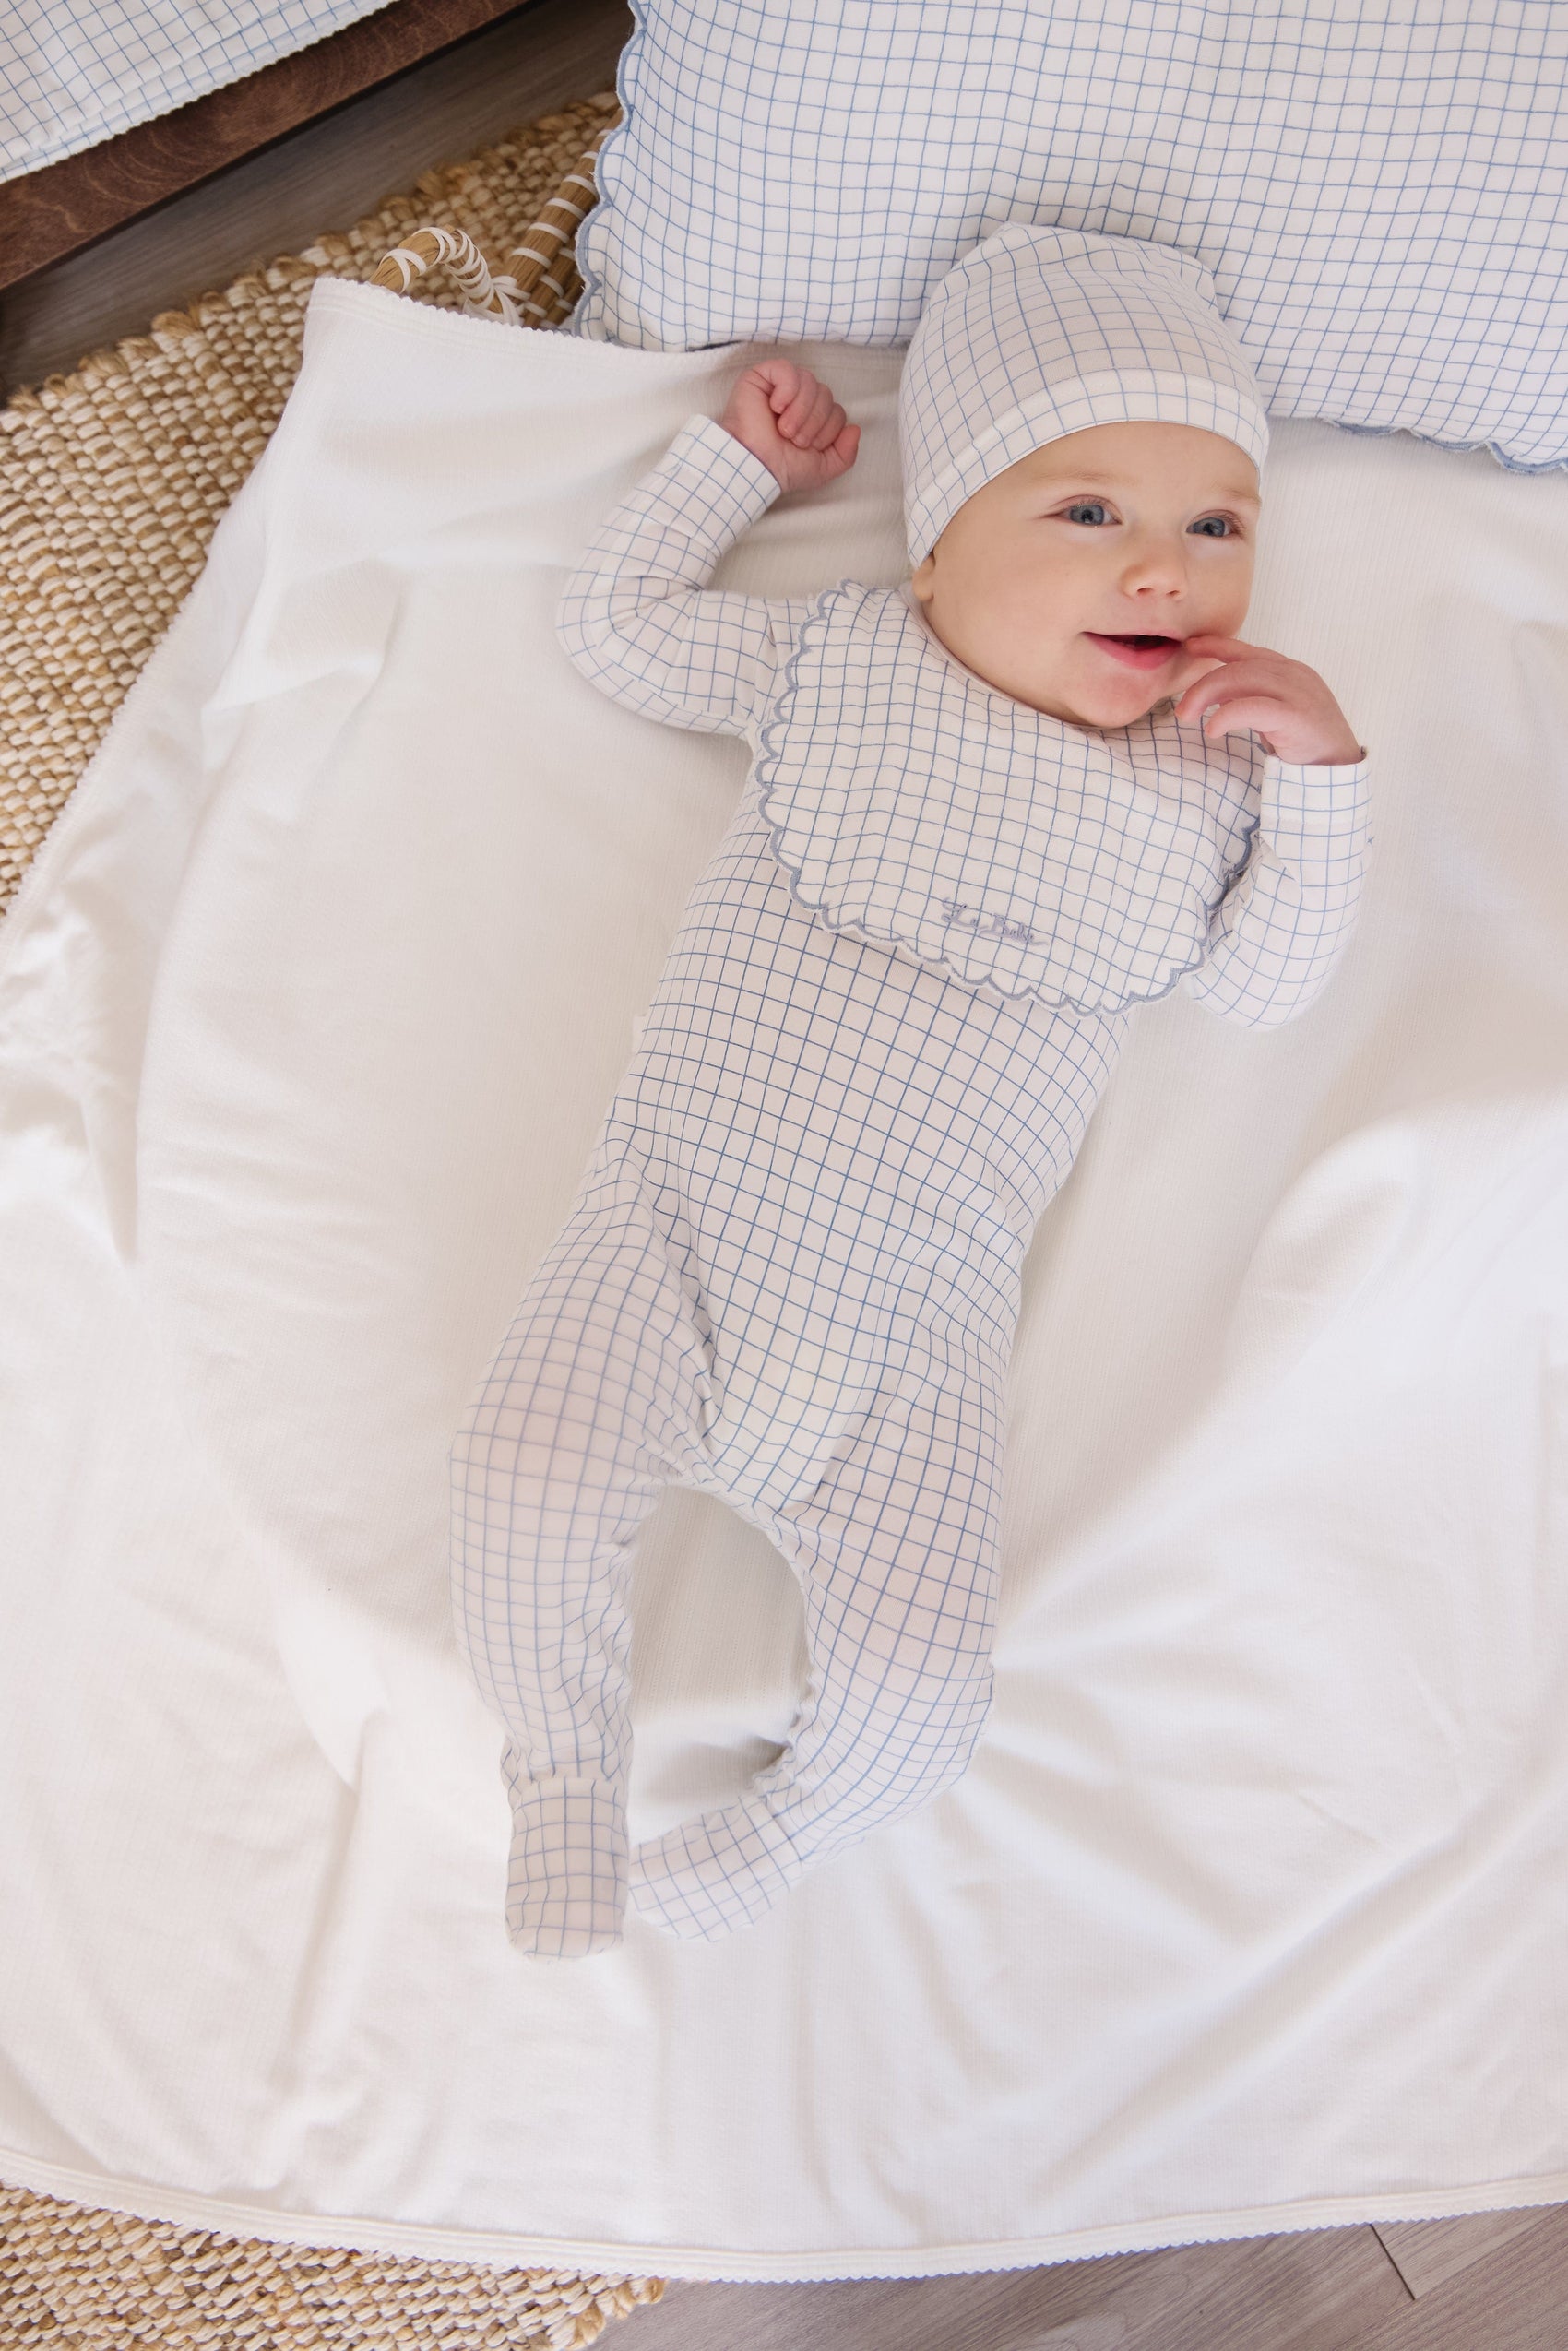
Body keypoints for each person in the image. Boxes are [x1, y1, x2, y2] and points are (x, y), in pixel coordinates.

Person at [450, 225, 1372, 1956]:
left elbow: (1264, 986)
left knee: (928, 1683)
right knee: (530, 1468)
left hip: (912, 1341)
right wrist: (738, 469)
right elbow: (621, 628)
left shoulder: (1210, 789)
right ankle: (560, 1767)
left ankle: (769, 1848)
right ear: (939, 543)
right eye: (1090, 512)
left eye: (1218, 524)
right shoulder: (843, 662)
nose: (1166, 571)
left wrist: (1320, 784)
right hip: (675, 1228)